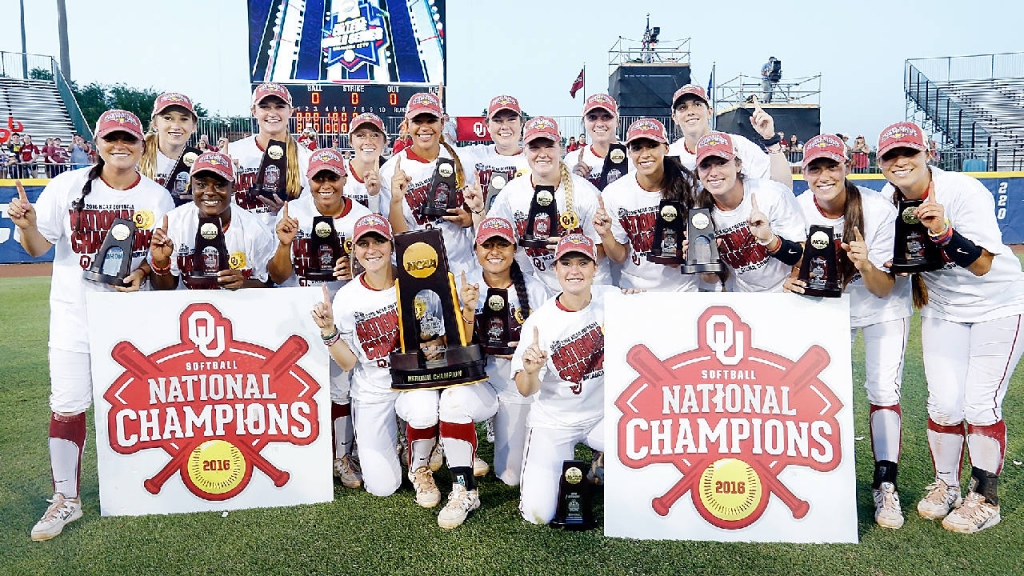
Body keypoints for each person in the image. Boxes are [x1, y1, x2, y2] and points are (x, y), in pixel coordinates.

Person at [8, 109, 175, 541]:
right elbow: (37, 247)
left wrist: (142, 273)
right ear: (96, 143)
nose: (120, 147)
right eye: (111, 139)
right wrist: (26, 227)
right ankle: (66, 499)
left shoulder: (157, 197)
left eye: (129, 140)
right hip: (73, 315)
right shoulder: (66, 186)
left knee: (142, 405)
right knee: (67, 405)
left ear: (143, 145)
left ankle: (145, 487)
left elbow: (157, 265)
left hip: (130, 319)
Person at [877, 121, 1024, 534]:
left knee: (980, 404)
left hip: (998, 305)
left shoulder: (962, 190)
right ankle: (947, 484)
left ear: (928, 155)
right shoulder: (890, 203)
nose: (900, 161)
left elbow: (983, 266)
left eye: (909, 152)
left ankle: (986, 498)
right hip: (944, 310)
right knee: (943, 404)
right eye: (891, 155)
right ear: (881, 163)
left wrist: (943, 233)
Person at [784, 134, 912, 529]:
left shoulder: (876, 209)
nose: (823, 176)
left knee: (883, 391)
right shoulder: (798, 207)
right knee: (815, 393)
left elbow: (885, 287)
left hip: (880, 307)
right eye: (814, 168)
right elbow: (790, 265)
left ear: (848, 167)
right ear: (803, 173)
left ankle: (886, 484)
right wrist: (789, 281)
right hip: (827, 311)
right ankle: (815, 477)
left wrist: (866, 263)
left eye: (831, 166)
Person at [310, 214, 451, 511]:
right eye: (364, 243)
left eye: (379, 241)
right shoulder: (348, 297)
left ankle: (419, 466)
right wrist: (328, 331)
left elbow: (438, 337)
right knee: (383, 487)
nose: (372, 249)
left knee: (424, 410)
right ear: (355, 250)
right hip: (373, 387)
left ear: (391, 245)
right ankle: (397, 440)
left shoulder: (414, 280)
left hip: (413, 380)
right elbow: (348, 363)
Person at [268, 148, 372, 488]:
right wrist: (284, 245)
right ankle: (299, 453)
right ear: (308, 181)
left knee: (341, 386)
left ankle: (342, 456)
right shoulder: (292, 213)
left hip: (343, 309)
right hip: (299, 307)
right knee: (295, 384)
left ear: (344, 179)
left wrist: (356, 269)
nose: (325, 185)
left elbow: (381, 268)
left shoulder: (360, 216)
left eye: (332, 177)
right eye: (318, 178)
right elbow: (277, 274)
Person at [512, 234, 616, 524]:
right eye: (566, 263)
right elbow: (524, 389)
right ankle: (580, 471)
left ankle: (602, 462)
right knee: (538, 515)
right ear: (555, 269)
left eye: (583, 263)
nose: (575, 271)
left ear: (595, 268)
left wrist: (636, 302)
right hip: (554, 422)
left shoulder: (613, 299)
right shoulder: (539, 322)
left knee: (643, 459)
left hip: (602, 416)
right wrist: (531, 371)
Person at [459, 217, 551, 491]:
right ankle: (460, 457)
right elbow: (454, 345)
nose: (495, 252)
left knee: (511, 476)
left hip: (515, 382)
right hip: (477, 378)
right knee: (452, 401)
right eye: (487, 245)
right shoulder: (466, 286)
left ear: (515, 249)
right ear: (476, 249)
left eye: (503, 245)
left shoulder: (535, 290)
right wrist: (467, 310)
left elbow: (546, 345)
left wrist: (524, 353)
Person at [484, 116, 608, 291]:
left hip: (590, 287)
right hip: (541, 288)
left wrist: (571, 248)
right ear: (524, 151)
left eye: (549, 146)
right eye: (534, 147)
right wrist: (477, 212)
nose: (542, 154)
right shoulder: (512, 193)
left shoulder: (585, 193)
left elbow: (603, 249)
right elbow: (491, 236)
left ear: (561, 148)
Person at [692, 131, 805, 292]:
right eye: (705, 165)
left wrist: (770, 240)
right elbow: (711, 279)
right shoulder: (699, 213)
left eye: (721, 163)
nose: (714, 172)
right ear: (698, 172)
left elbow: (805, 257)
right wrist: (704, 261)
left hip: (786, 296)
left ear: (738, 165)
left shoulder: (772, 194)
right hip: (744, 301)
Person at [594, 118, 699, 292]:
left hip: (683, 289)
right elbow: (619, 257)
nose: (645, 154)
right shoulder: (615, 193)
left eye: (652, 145)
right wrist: (606, 235)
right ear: (628, 152)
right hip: (636, 290)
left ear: (666, 148)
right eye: (637, 148)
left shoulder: (691, 187)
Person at [148, 150, 275, 291]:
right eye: (201, 184)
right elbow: (164, 289)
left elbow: (269, 283)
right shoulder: (172, 224)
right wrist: (161, 263)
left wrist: (243, 284)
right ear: (191, 186)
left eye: (220, 185)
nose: (209, 192)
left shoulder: (254, 229)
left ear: (233, 187)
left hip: (238, 309)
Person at [379, 92, 476, 274]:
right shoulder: (392, 170)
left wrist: (468, 219)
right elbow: (397, 235)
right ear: (407, 125)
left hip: (463, 265)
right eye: (417, 121)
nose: (424, 127)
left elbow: (475, 212)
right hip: (419, 266)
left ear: (442, 124)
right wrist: (396, 200)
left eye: (431, 120)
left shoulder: (463, 160)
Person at [667, 85, 793, 190]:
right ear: (674, 118)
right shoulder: (669, 155)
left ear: (710, 112)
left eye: (697, 105)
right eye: (682, 107)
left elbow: (783, 189)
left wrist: (771, 139)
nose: (690, 111)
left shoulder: (737, 144)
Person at [229, 83, 312, 225]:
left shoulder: (307, 158)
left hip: (288, 243)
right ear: (254, 111)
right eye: (264, 107)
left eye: (280, 106)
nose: (272, 113)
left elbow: (314, 210)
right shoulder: (233, 152)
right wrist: (223, 181)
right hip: (243, 242)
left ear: (290, 111)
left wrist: (287, 211)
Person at [458, 95, 529, 203]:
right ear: (487, 126)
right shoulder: (473, 155)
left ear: (521, 123)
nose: (505, 126)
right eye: (498, 121)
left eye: (511, 120)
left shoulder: (533, 161)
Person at [138, 92, 199, 202]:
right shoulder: (137, 158)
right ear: (155, 124)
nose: (176, 126)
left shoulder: (201, 161)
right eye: (168, 118)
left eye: (184, 119)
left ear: (194, 126)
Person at [569, 94, 632, 190]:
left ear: (617, 122)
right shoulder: (572, 160)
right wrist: (575, 181)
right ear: (584, 123)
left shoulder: (634, 155)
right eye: (592, 117)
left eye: (606, 117)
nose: (599, 124)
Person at [344, 113, 387, 212]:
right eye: (361, 135)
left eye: (374, 135)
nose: (368, 141)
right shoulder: (338, 173)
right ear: (350, 142)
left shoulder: (392, 174)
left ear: (384, 141)